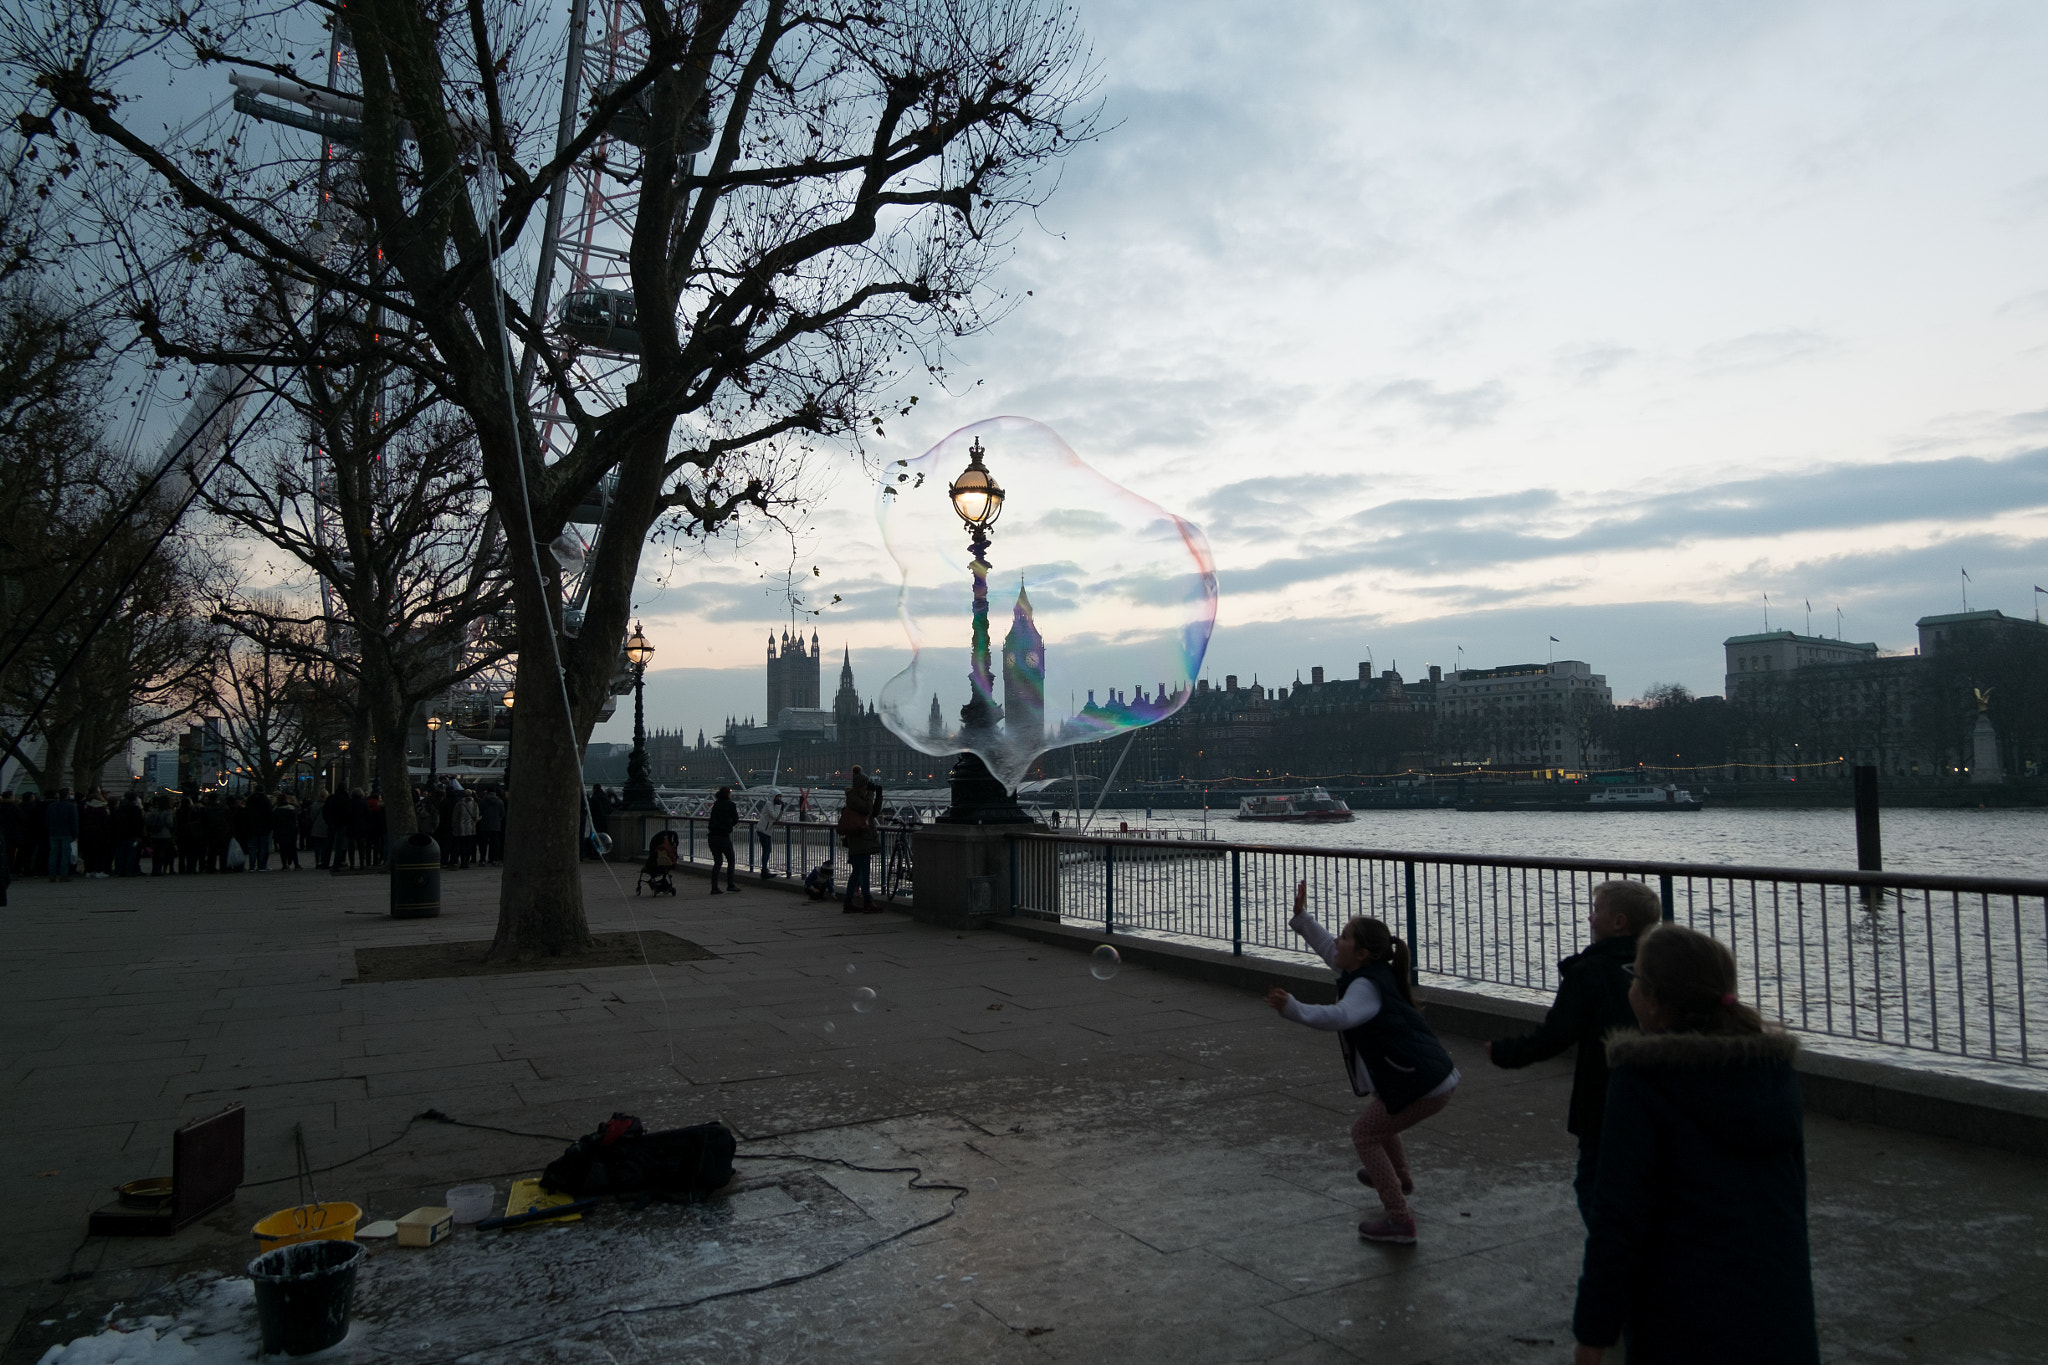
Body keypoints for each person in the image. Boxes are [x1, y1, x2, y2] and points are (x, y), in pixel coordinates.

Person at [1572, 924, 1817, 1364]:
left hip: (1681, 1312)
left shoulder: (1643, 1081)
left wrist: (1594, 1330)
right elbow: (1791, 1196)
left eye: (1635, 977)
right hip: (1777, 1308)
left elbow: (1619, 1217)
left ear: (1654, 998)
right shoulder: (1774, 1073)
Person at [1266, 880, 1458, 1245]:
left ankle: (1400, 1220)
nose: (1337, 941)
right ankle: (1398, 1175)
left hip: (1423, 1084)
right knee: (1382, 1114)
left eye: (1345, 937)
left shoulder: (1365, 988)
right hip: (1430, 1077)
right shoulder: (1367, 972)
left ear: (1363, 953)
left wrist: (1294, 1008)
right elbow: (1327, 948)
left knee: (1364, 1134)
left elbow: (1339, 1016)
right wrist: (1302, 918)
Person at [1487, 878, 1659, 1227]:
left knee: (1594, 1185)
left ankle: (1614, 1262)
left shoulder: (1589, 972)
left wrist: (1506, 1052)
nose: (1591, 919)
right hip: (1656, 1099)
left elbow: (1556, 1035)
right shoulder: (1658, 970)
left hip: (1602, 1101)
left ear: (1618, 922)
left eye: (1597, 911)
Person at [837, 768, 883, 913]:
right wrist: (871, 793)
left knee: (857, 872)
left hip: (862, 840)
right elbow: (866, 808)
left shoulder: (860, 797)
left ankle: (848, 902)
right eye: (866, 784)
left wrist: (879, 796)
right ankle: (868, 902)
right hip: (860, 840)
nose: (868, 786)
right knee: (864, 872)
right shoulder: (853, 798)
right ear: (861, 785)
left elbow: (873, 813)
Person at [706, 786, 740, 893]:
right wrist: (729, 824)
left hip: (712, 836)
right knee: (731, 860)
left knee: (718, 862)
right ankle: (730, 884)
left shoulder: (716, 805)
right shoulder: (731, 805)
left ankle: (714, 887)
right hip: (723, 836)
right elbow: (736, 819)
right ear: (728, 794)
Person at [44, 787, 79, 882]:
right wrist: (75, 834)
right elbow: (74, 821)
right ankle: (63, 875)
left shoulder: (51, 806)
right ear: (68, 795)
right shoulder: (71, 806)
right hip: (66, 833)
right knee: (65, 855)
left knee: (53, 854)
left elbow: (47, 820)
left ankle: (52, 875)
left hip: (53, 833)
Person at [753, 790, 785, 879]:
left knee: (768, 850)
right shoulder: (769, 804)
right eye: (777, 797)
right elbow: (774, 815)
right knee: (766, 850)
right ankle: (764, 870)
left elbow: (777, 818)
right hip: (763, 830)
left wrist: (782, 809)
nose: (779, 799)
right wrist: (780, 807)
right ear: (773, 796)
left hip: (767, 830)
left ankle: (765, 869)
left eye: (780, 797)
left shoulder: (775, 805)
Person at [113, 793, 146, 876]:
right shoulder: (135, 809)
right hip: (133, 835)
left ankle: (120, 870)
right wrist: (139, 835)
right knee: (131, 853)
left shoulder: (119, 809)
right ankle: (129, 870)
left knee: (121, 853)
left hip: (120, 834)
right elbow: (138, 824)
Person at [477, 787, 505, 864]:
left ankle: (482, 858)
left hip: (485, 824)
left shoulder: (483, 801)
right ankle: (493, 858)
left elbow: (479, 812)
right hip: (496, 825)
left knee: (483, 843)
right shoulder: (499, 801)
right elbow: (502, 813)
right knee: (494, 842)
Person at [273, 794, 301, 870]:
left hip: (281, 831)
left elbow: (274, 822)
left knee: (282, 849)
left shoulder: (277, 811)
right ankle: (296, 864)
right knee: (293, 848)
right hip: (291, 830)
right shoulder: (292, 809)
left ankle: (284, 864)